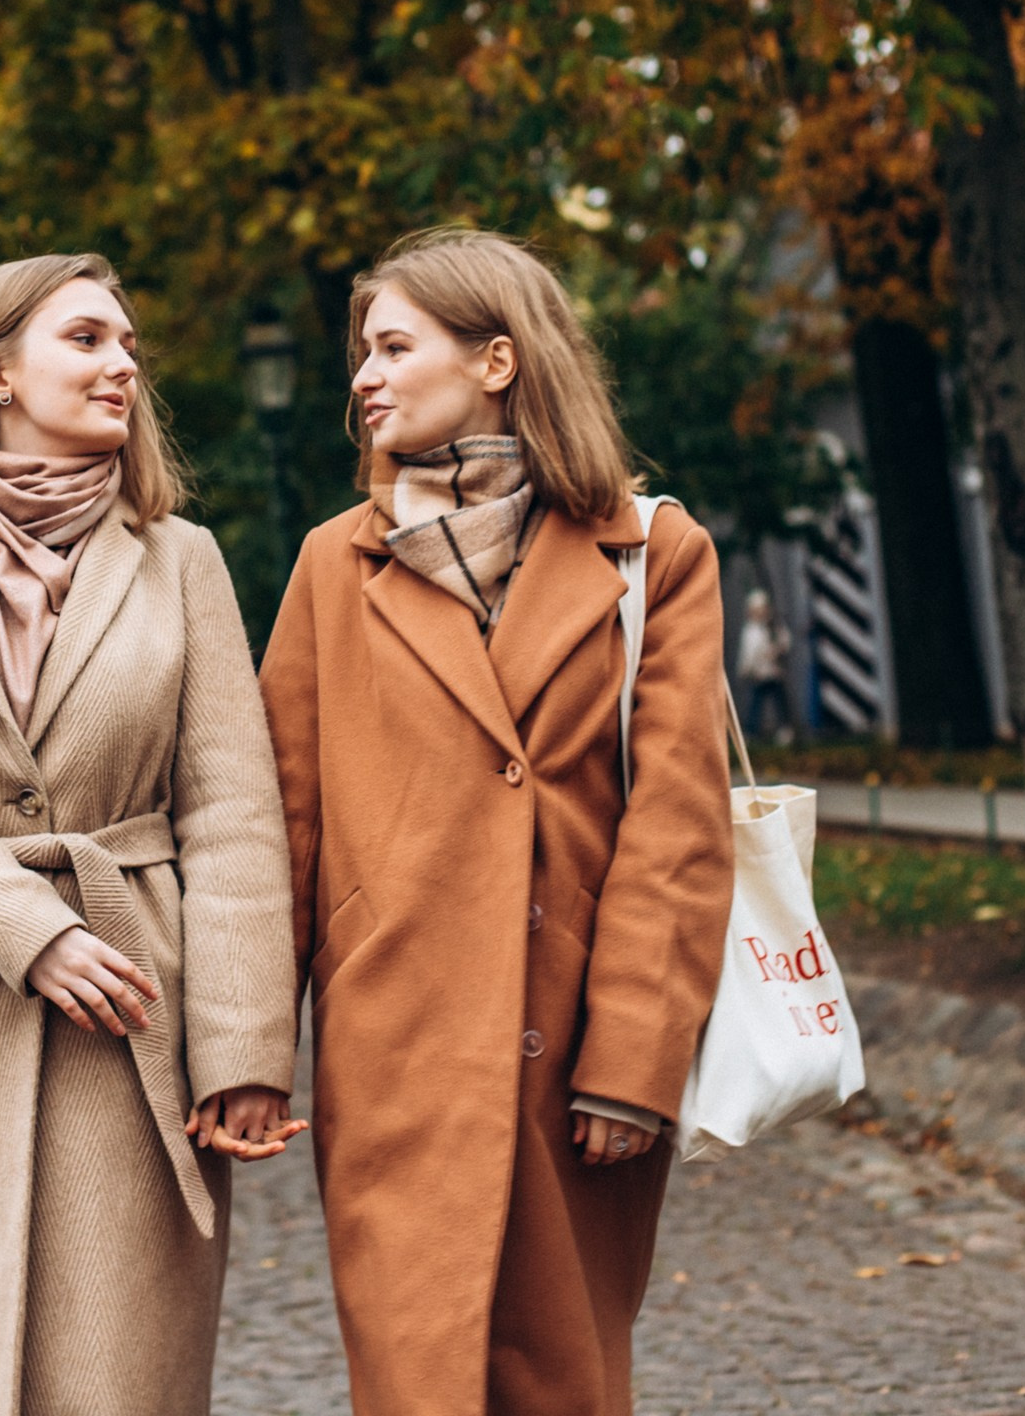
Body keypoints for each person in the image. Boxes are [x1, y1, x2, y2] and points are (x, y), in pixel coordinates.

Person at [0, 252, 299, 1416]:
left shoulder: (180, 559)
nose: (124, 362)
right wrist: (28, 928)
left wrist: (242, 1052)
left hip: (138, 1004)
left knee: (127, 1374)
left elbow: (231, 812)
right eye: (86, 339)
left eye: (128, 343)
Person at [260, 228, 735, 1416]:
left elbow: (676, 825)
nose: (362, 375)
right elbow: (281, 825)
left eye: (391, 345)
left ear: (498, 360)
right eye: (358, 353)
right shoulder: (334, 564)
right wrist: (248, 1052)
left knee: (566, 1380)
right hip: (397, 1046)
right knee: (415, 1380)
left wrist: (635, 1060)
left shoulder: (652, 555)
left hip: (573, 1048)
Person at [737, 586, 796, 744]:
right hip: (759, 673)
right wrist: (746, 669)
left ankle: (785, 730)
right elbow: (748, 653)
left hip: (774, 672)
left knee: (780, 702)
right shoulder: (750, 630)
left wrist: (776, 651)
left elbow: (786, 642)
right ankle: (751, 731)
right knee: (756, 704)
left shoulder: (774, 626)